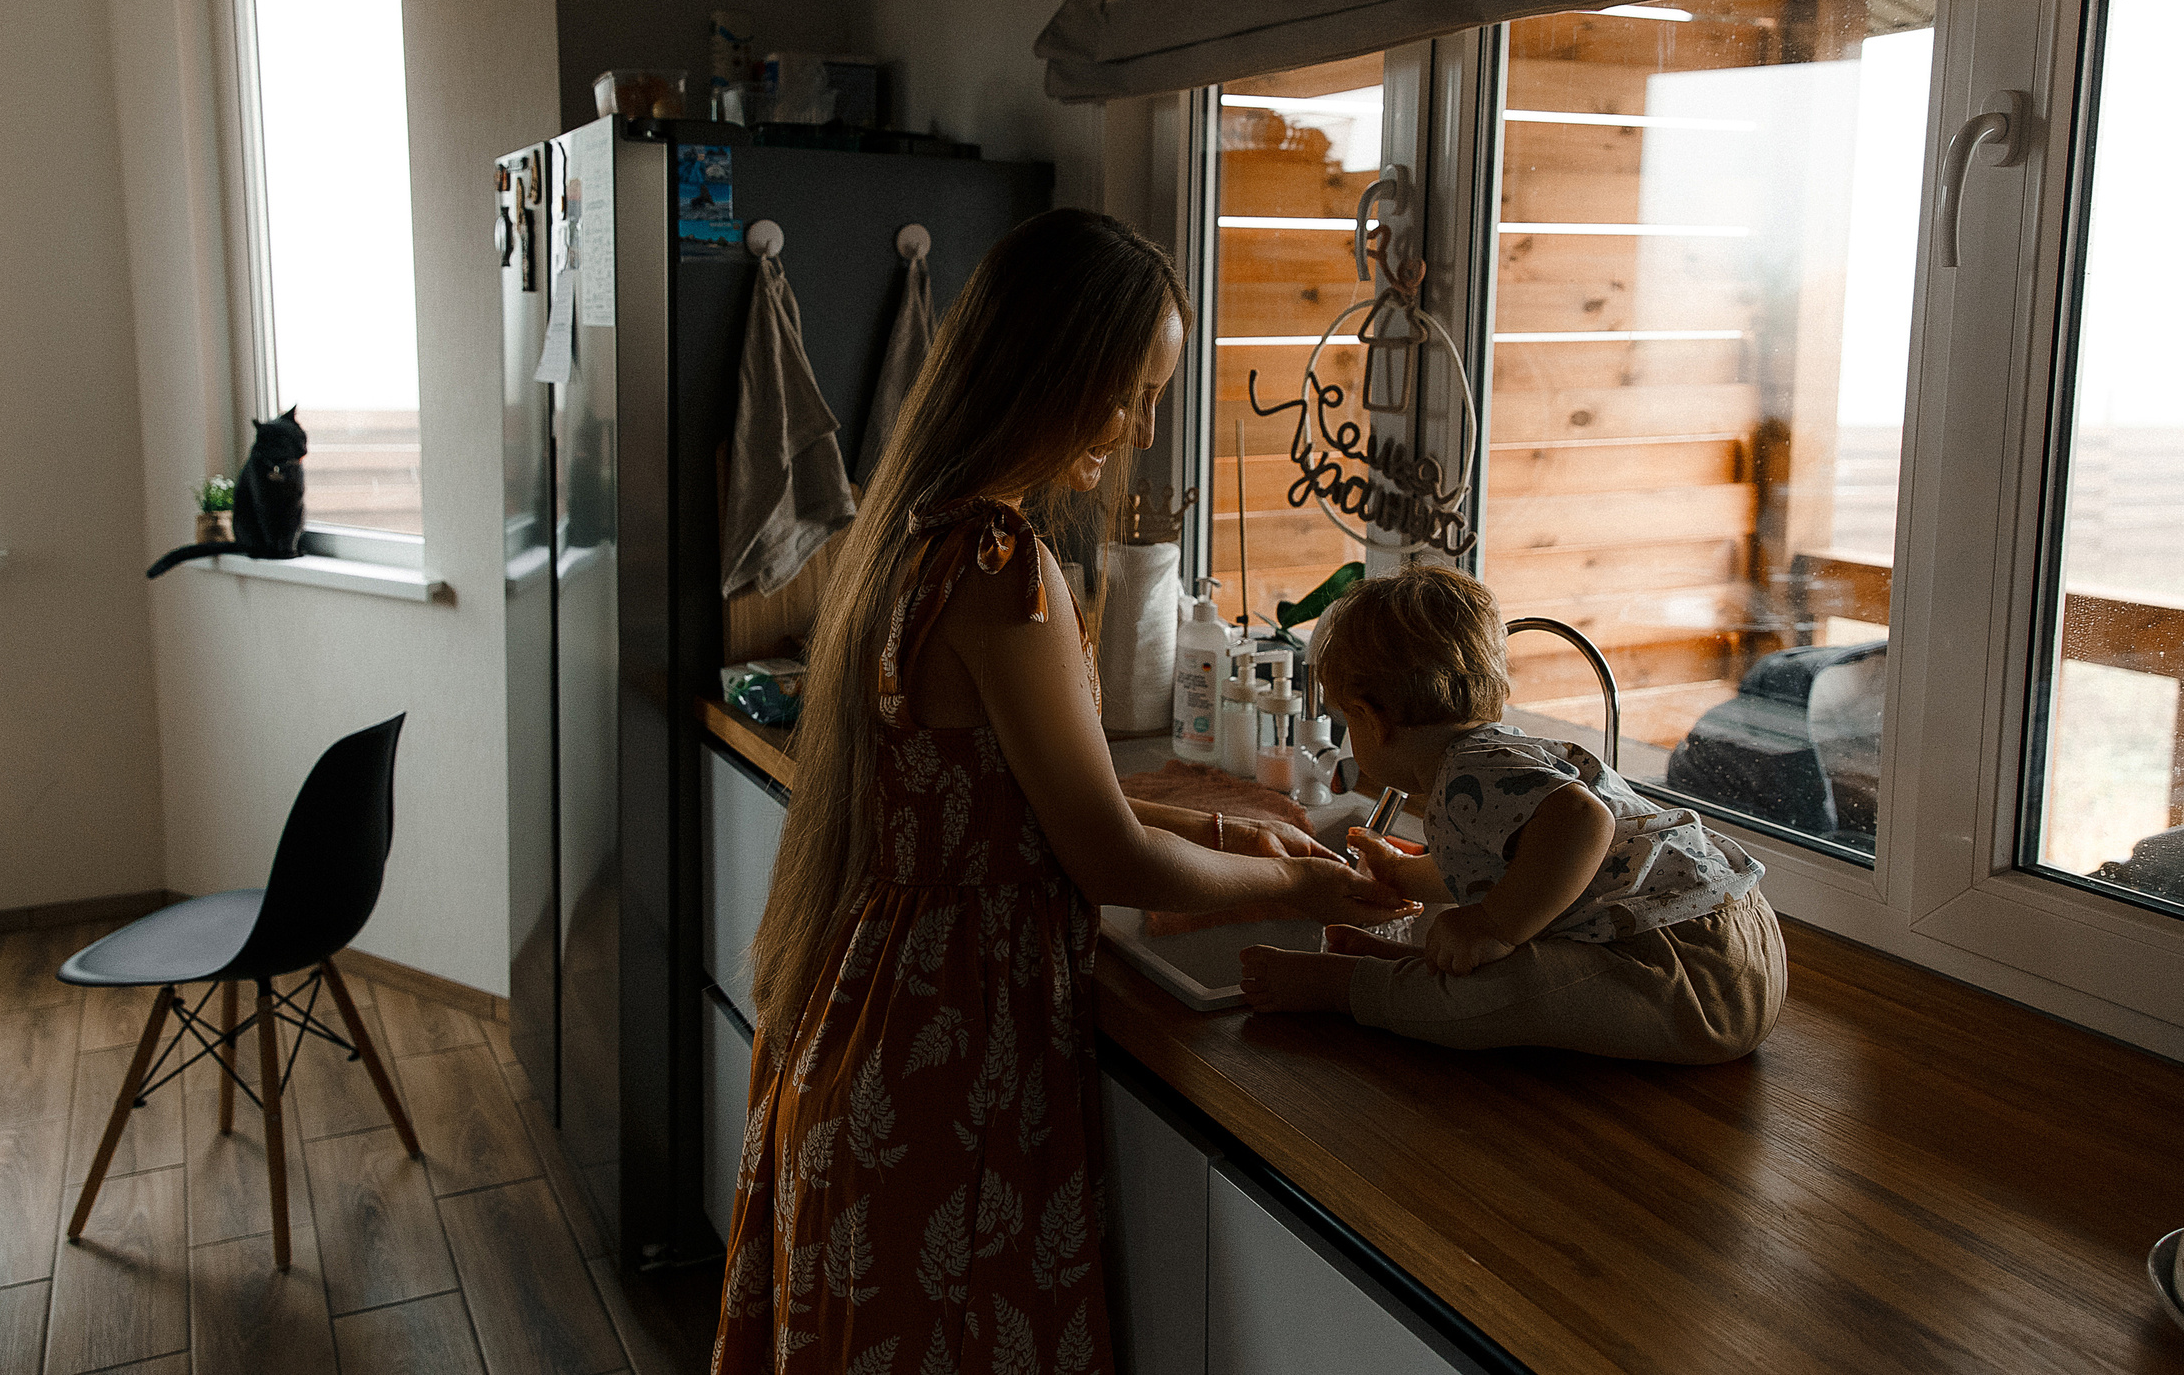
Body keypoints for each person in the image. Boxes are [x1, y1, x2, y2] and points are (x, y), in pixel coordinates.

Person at [716, 210, 1411, 1375]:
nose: (1139, 427)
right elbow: (1108, 860)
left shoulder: (913, 535)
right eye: (1130, 391)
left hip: (871, 1022)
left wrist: (1231, 826)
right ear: (1055, 368)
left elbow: (1013, 804)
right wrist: (1294, 883)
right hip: (950, 1060)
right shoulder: (1001, 569)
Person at [1238, 565, 1786, 1063]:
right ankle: (1396, 971)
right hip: (1730, 936)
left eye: (1346, 720)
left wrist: (1490, 924)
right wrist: (1405, 874)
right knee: (1516, 952)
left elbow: (1584, 822)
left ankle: (1344, 986)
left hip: (1694, 972)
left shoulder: (1466, 777)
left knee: (1497, 994)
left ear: (1371, 719)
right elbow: (1506, 866)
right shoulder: (1492, 756)